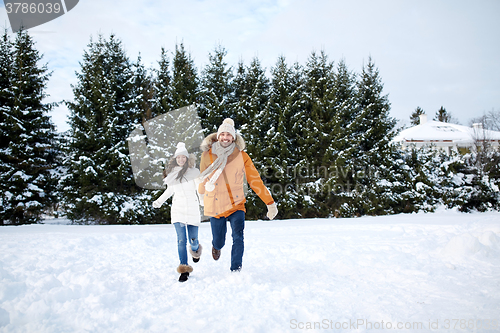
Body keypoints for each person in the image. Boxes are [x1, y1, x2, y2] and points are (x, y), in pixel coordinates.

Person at [197, 118, 278, 272]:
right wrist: (201, 195)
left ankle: (236, 269)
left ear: (233, 138)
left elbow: (255, 181)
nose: (225, 137)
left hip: (236, 205)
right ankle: (216, 246)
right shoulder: (207, 155)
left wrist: (270, 203)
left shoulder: (242, 156)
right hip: (216, 205)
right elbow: (203, 177)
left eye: (229, 135)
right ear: (218, 136)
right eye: (223, 134)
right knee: (219, 241)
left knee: (238, 237)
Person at [153, 142, 203, 282]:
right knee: (181, 240)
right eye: (179, 157)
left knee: (193, 240)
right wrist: (159, 201)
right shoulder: (172, 175)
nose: (181, 160)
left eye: (184, 157)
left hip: (192, 210)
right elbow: (169, 191)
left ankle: (195, 250)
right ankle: (184, 268)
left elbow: (200, 189)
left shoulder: (194, 173)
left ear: (187, 159)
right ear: (175, 159)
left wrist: (203, 201)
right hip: (178, 210)